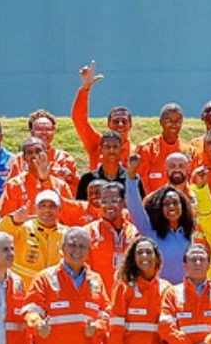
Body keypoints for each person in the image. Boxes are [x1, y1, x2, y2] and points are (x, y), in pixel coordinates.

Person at [125, 153, 195, 281]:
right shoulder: (150, 231)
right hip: (159, 295)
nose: (171, 207)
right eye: (166, 204)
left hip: (185, 295)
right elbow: (134, 206)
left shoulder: (191, 233)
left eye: (175, 203)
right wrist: (131, 176)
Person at [72, 60, 134, 169]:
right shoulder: (97, 143)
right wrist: (85, 89)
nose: (120, 124)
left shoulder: (137, 152)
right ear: (108, 124)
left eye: (124, 121)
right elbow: (79, 120)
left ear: (130, 125)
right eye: (115, 121)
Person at [76, 131, 127, 200]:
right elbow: (81, 207)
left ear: (121, 150)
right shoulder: (88, 179)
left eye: (115, 147)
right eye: (107, 147)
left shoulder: (132, 179)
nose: (111, 150)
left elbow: (140, 207)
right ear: (100, 150)